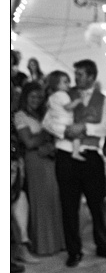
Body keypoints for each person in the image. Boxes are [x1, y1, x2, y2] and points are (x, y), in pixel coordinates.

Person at [51, 61, 106, 266]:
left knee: (97, 203)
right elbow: (50, 119)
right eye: (76, 73)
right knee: (69, 205)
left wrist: (84, 128)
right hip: (65, 154)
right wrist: (63, 131)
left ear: (91, 76)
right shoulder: (64, 95)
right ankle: (74, 251)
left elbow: (105, 128)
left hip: (91, 155)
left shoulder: (103, 99)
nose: (76, 77)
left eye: (80, 74)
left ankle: (103, 246)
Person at [14, 81, 64, 257]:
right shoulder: (20, 116)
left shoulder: (43, 114)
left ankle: (58, 242)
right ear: (25, 96)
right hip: (34, 161)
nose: (36, 100)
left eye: (39, 97)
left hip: (49, 158)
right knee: (40, 201)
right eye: (32, 96)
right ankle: (44, 245)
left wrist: (49, 144)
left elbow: (54, 137)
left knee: (53, 198)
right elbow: (29, 142)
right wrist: (45, 133)